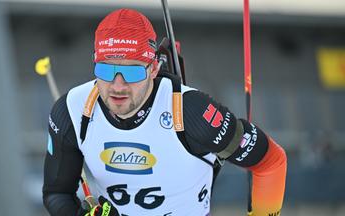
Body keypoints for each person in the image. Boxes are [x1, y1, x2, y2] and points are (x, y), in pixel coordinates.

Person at [43, 8, 287, 216]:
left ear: (154, 69)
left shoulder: (190, 112)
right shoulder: (72, 110)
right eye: (106, 70)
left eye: (132, 72)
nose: (118, 86)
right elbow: (57, 193)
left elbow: (271, 163)